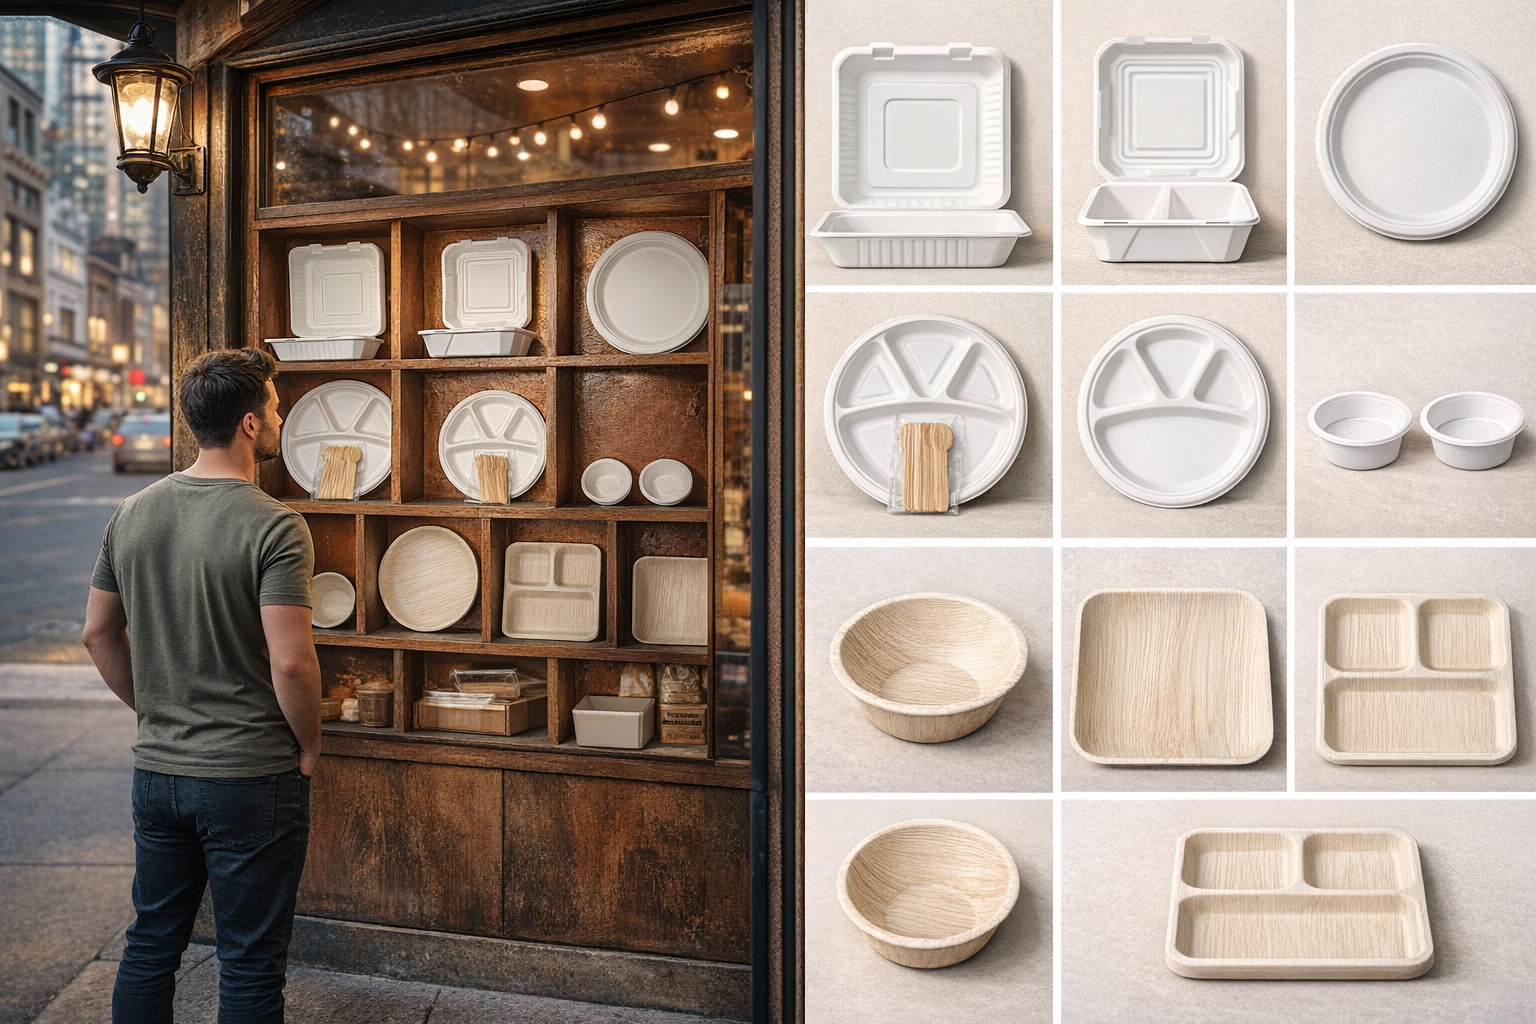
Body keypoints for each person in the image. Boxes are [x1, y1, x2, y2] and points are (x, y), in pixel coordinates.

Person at [83, 347, 320, 1024]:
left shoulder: (131, 512)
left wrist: (156, 708)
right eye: (274, 406)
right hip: (250, 775)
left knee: (152, 942)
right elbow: (293, 663)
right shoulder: (274, 524)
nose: (278, 416)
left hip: (158, 771)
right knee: (248, 962)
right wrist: (309, 746)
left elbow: (97, 633)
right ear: (250, 423)